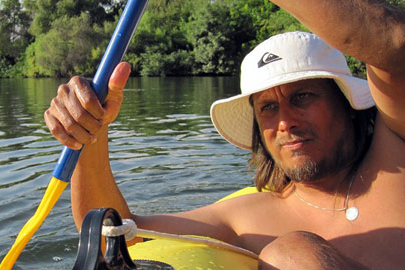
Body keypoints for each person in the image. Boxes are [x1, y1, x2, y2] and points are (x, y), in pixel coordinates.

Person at [44, 0, 405, 268]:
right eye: (267, 107)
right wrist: (90, 133)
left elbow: (393, 47)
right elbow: (115, 230)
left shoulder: (396, 149)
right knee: (292, 255)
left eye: (303, 97)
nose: (284, 122)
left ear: (347, 104)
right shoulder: (248, 216)